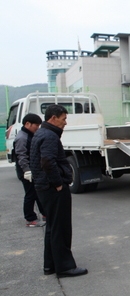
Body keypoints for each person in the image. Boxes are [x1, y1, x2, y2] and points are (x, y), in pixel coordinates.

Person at [30, 104, 88, 277]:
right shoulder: (49, 136)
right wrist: (58, 183)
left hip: (43, 187)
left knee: (53, 227)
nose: (65, 123)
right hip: (52, 188)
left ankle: (50, 265)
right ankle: (64, 267)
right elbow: (47, 161)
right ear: (53, 118)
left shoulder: (41, 133)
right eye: (63, 119)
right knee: (61, 228)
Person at [14, 113, 45, 227]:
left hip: (33, 170)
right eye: (36, 125)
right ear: (27, 124)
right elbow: (21, 155)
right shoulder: (22, 137)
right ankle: (30, 219)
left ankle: (44, 214)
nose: (37, 128)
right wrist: (27, 170)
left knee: (37, 193)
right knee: (30, 194)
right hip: (26, 172)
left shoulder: (29, 134)